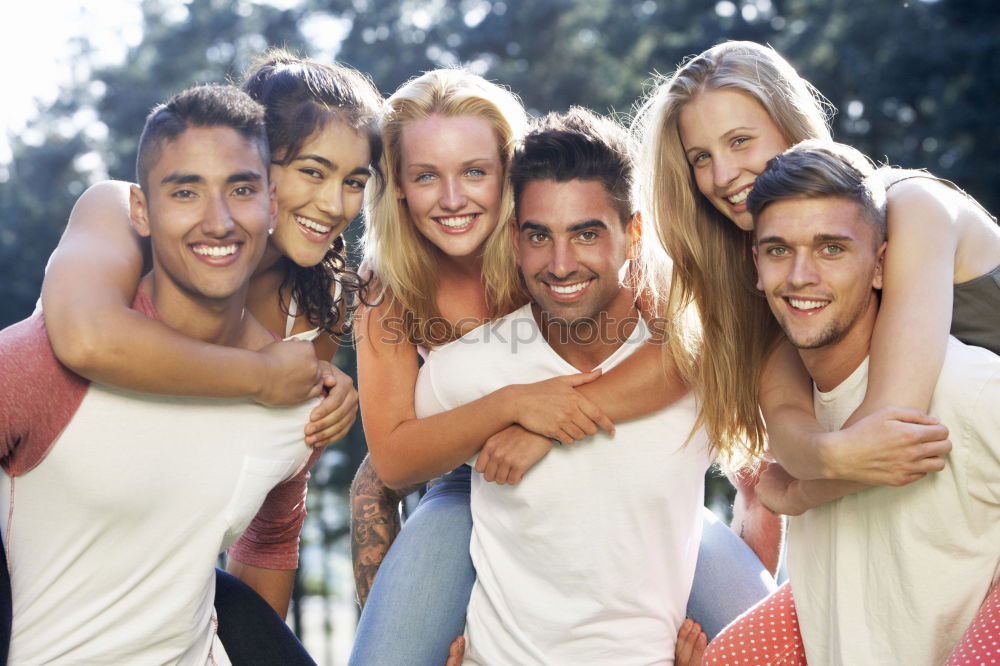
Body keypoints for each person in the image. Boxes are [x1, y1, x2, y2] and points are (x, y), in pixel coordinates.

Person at [349, 69, 779, 665]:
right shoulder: (389, 289)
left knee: (771, 635)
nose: (452, 199)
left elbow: (689, 350)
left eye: (475, 171)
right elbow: (391, 461)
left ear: (508, 172)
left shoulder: (559, 238)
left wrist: (544, 423)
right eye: (426, 176)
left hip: (626, 475)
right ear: (397, 186)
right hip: (469, 471)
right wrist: (513, 406)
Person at [634, 40, 1000, 662]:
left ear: (790, 124)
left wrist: (796, 487)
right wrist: (792, 478)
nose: (722, 175)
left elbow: (883, 435)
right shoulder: (789, 298)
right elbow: (798, 440)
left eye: (741, 141)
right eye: (701, 156)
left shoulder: (904, 211)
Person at [34, 50, 384, 659]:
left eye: (354, 181)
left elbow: (274, 520)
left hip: (170, 583)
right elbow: (86, 338)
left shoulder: (321, 303)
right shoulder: (125, 217)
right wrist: (262, 376)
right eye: (312, 171)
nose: (336, 205)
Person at [423, 106, 719, 663]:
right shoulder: (463, 371)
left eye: (586, 234)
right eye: (540, 236)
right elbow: (395, 469)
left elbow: (768, 485)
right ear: (514, 239)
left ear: (633, 234)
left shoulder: (692, 367)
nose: (560, 264)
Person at [703, 140, 1000, 663]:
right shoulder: (797, 415)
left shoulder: (968, 390)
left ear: (882, 265)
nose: (800, 276)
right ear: (756, 264)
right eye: (778, 250)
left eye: (831, 249)